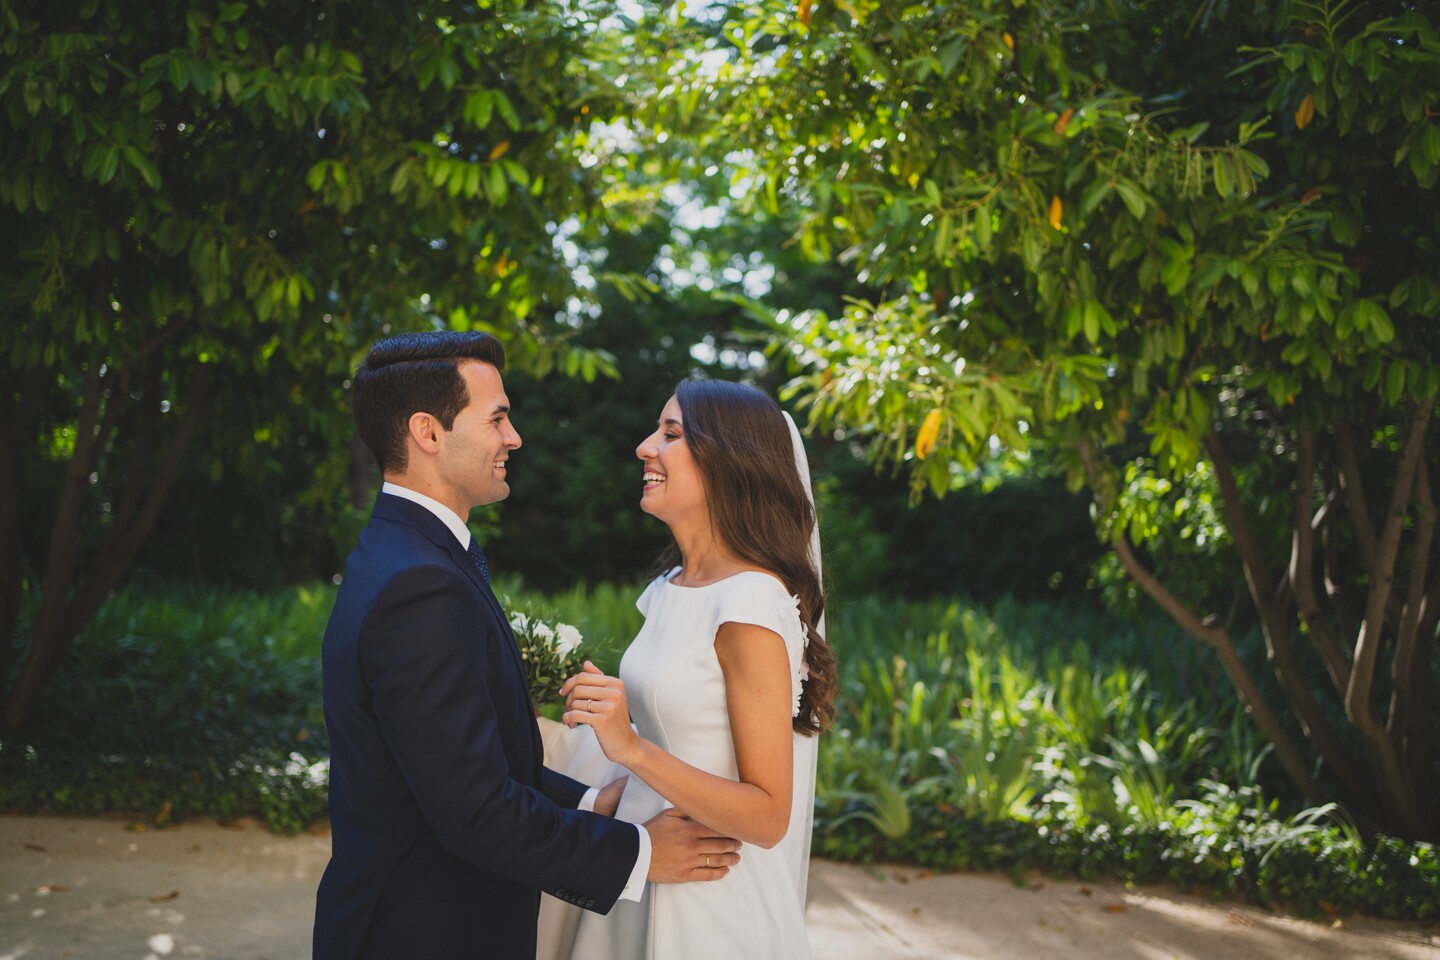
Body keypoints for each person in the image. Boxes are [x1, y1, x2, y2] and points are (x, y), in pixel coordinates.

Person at [312, 332, 742, 960]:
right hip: (421, 932)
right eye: (498, 418)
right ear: (429, 433)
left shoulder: (412, 552)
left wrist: (594, 801)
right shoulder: (420, 583)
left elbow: (465, 762)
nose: (513, 438)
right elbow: (476, 810)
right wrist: (642, 853)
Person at [558, 379, 838, 960]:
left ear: (728, 460)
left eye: (671, 433)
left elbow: (766, 816)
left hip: (707, 903)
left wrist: (631, 748)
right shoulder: (667, 590)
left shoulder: (751, 602)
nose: (644, 447)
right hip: (643, 865)